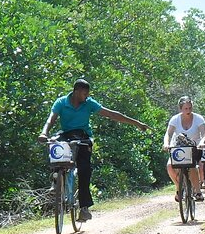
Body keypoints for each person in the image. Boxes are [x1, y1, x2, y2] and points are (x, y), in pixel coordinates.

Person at [38, 79, 149, 222]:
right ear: (76, 92)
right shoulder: (61, 102)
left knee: (84, 169)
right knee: (55, 147)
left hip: (83, 137)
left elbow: (112, 114)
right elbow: (51, 119)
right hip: (66, 134)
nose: (86, 96)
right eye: (84, 93)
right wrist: (44, 133)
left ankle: (84, 207)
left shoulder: (89, 103)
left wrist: (137, 123)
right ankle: (56, 182)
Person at [162, 96, 205, 202]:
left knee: (192, 166)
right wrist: (166, 144)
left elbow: (204, 134)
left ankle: (197, 191)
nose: (188, 111)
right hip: (177, 148)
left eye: (190, 108)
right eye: (186, 109)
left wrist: (201, 143)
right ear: (181, 109)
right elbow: (168, 133)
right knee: (169, 166)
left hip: (194, 148)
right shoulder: (175, 119)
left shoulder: (198, 118)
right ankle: (179, 187)